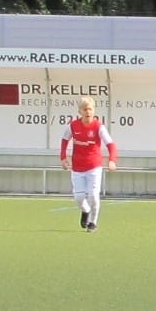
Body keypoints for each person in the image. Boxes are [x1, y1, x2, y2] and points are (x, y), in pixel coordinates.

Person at [60, 96, 118, 231]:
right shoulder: (73, 126)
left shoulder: (98, 127)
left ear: (94, 110)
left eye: (90, 109)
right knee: (79, 197)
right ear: (80, 111)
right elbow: (64, 139)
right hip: (77, 168)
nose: (88, 112)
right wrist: (63, 157)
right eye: (85, 109)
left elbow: (111, 144)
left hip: (94, 167)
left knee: (93, 195)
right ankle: (85, 211)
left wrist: (112, 160)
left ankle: (93, 222)